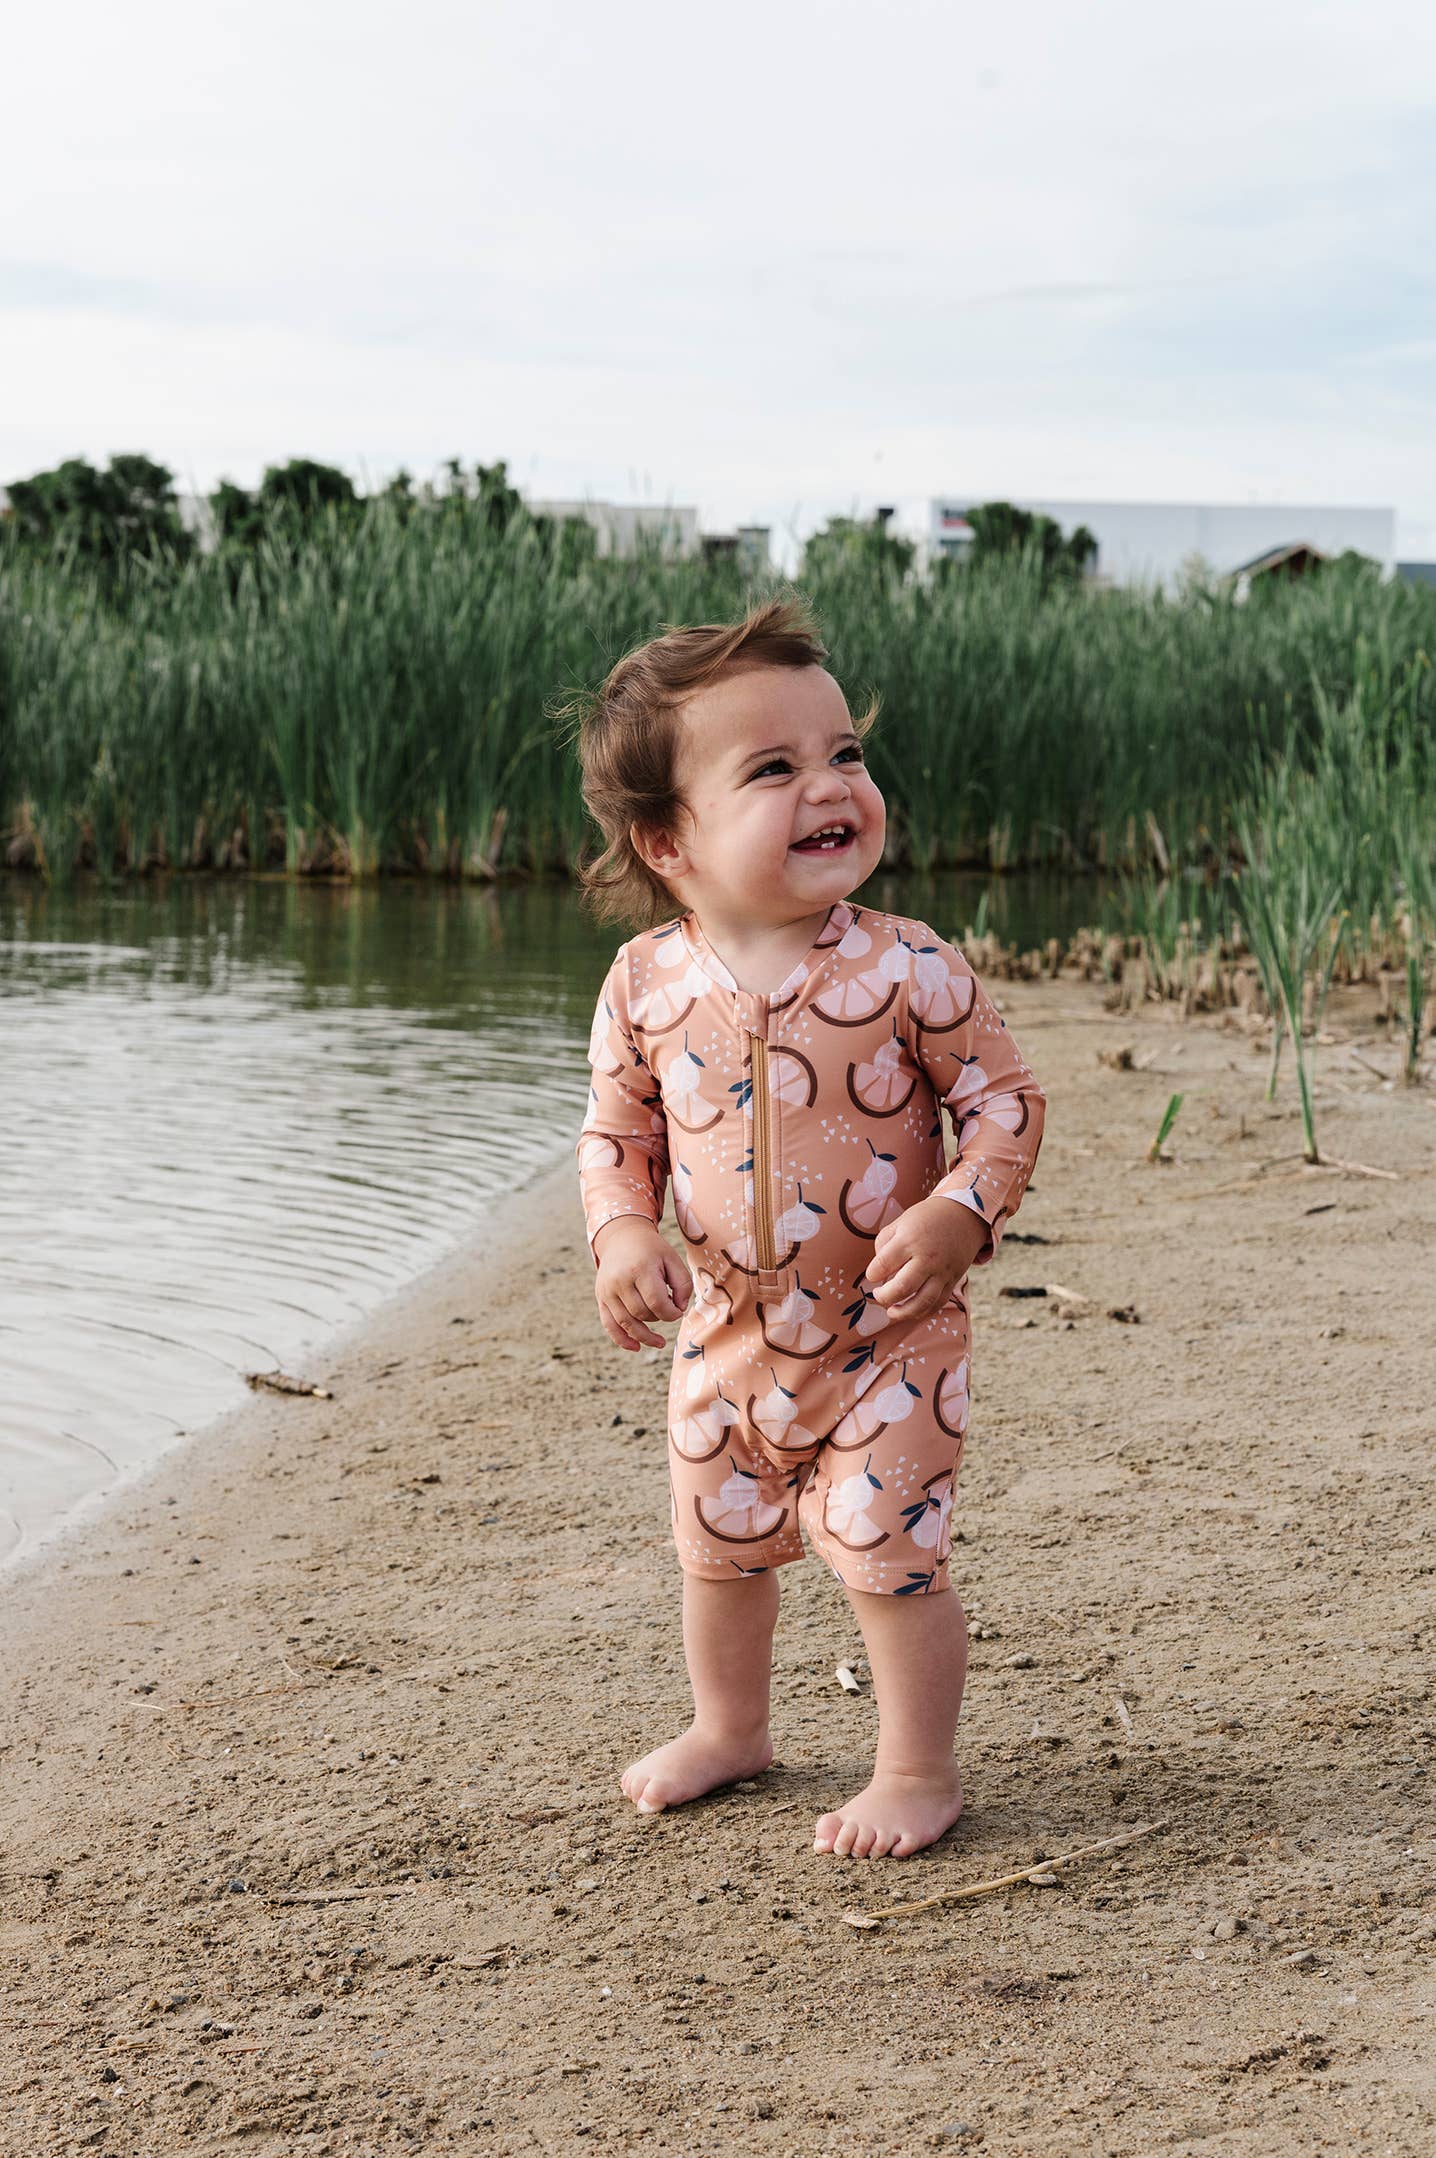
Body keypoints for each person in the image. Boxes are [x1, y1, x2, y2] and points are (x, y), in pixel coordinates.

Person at [566, 594, 1046, 1859]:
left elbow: (1004, 1100)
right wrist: (621, 1238)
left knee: (886, 1551)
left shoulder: (905, 967)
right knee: (717, 1545)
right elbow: (618, 1138)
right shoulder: (645, 987)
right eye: (773, 768)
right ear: (667, 840)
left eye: (844, 754)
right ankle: (730, 1727)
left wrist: (958, 1206)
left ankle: (914, 1769)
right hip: (722, 1334)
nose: (831, 785)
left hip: (887, 1333)